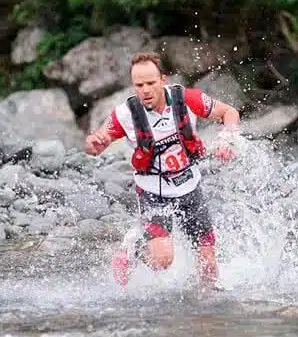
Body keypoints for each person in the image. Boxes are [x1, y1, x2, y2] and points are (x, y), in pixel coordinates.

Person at [84, 51, 240, 289]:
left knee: (209, 266)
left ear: (163, 80)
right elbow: (95, 144)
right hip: (153, 193)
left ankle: (208, 314)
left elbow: (229, 113)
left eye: (150, 83)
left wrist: (228, 140)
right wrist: (95, 143)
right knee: (162, 260)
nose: (145, 90)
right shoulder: (125, 115)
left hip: (190, 187)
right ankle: (132, 250)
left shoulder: (187, 99)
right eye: (139, 85)